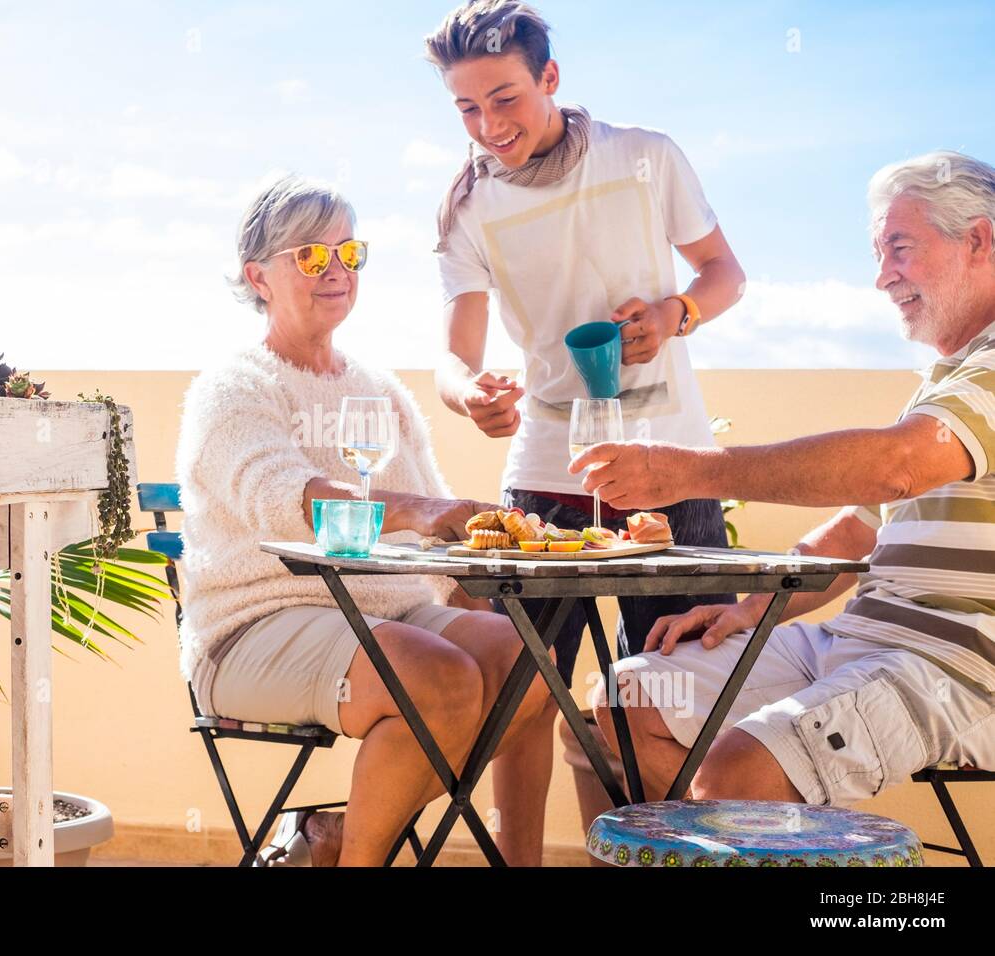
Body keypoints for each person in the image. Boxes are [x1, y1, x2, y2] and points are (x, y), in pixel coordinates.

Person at [576, 151, 995, 805]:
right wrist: (749, 611)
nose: (883, 276)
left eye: (900, 249)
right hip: (854, 638)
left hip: (958, 665)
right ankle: (755, 845)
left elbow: (896, 465)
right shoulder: (947, 385)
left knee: (738, 771)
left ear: (978, 239)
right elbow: (855, 530)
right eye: (879, 255)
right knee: (630, 700)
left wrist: (691, 471)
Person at [421, 0, 745, 816]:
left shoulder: (645, 157)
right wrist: (471, 398)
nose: (488, 125)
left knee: (675, 693)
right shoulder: (467, 206)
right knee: (525, 693)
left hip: (672, 463)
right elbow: (454, 356)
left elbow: (723, 273)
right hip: (546, 471)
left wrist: (677, 314)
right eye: (468, 107)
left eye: (505, 99)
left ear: (551, 79)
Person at [176, 173, 557, 865]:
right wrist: (423, 511)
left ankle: (348, 841)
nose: (336, 272)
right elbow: (292, 502)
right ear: (258, 277)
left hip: (390, 609)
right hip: (257, 623)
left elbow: (437, 532)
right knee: (439, 679)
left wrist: (490, 596)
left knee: (532, 665)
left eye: (349, 254)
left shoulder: (379, 389)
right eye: (312, 257)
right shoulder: (232, 389)